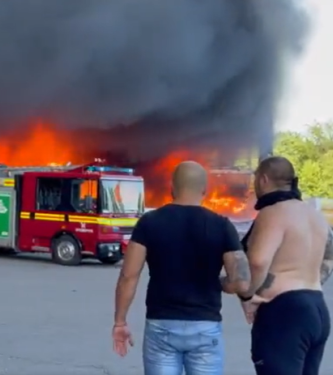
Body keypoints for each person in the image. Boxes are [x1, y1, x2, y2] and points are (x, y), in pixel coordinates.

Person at [111, 160, 249, 374]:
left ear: (172, 188)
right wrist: (223, 284)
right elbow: (241, 281)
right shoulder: (222, 225)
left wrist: (120, 321)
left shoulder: (149, 222)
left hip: (161, 324)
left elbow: (129, 275)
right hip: (205, 325)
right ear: (205, 190)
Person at [239, 156, 332, 375]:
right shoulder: (315, 216)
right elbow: (329, 257)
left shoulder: (272, 213)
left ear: (263, 180)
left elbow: (258, 261)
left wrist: (249, 295)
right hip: (317, 307)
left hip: (284, 312)